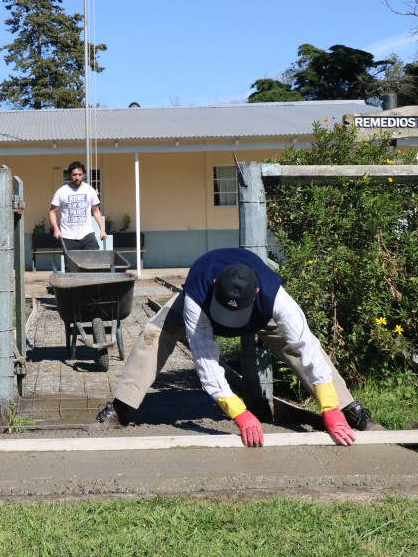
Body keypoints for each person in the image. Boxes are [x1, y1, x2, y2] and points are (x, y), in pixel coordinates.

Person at [93, 247, 378, 447]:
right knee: (154, 333)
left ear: (256, 293)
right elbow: (205, 358)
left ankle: (348, 408)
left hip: (257, 313)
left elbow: (307, 347)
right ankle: (122, 407)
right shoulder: (198, 294)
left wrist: (328, 406)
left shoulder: (277, 298)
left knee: (297, 348)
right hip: (202, 309)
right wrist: (238, 412)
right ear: (216, 285)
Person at [49, 161, 107, 251]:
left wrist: (102, 230)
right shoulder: (61, 191)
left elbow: (96, 211)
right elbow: (52, 212)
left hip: (87, 234)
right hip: (68, 236)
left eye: (80, 174)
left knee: (93, 262)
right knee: (71, 264)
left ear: (83, 174)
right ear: (69, 175)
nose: (77, 177)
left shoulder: (89, 190)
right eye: (74, 174)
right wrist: (56, 229)